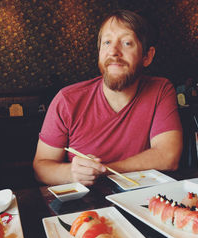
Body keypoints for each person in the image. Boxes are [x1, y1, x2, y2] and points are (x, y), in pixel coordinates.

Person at [33, 9, 183, 186]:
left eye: (127, 43)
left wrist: (104, 170)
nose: (113, 51)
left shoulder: (160, 90)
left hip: (140, 201)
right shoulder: (67, 100)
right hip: (84, 208)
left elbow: (168, 156)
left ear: (147, 56)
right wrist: (72, 174)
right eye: (107, 42)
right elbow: (41, 167)